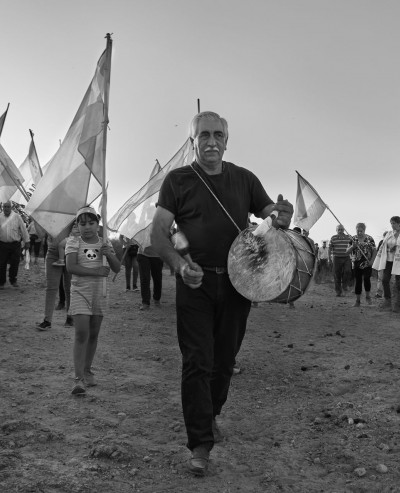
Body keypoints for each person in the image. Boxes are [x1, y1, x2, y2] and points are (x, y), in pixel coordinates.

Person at [150, 111, 293, 476]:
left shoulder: (245, 179)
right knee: (197, 361)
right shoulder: (177, 180)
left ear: (227, 141)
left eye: (218, 135)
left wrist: (283, 215)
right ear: (193, 141)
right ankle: (200, 443)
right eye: (203, 135)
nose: (211, 141)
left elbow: (270, 219)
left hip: (237, 285)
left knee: (224, 361)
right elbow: (160, 233)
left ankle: (210, 414)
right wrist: (181, 267)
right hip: (194, 282)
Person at [65, 207, 120, 395]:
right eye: (82, 223)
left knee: (94, 334)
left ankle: (88, 370)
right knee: (81, 333)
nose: (87, 227)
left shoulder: (105, 243)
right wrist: (95, 272)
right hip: (80, 292)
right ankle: (78, 379)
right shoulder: (73, 242)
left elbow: (117, 268)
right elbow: (71, 266)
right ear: (77, 226)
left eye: (91, 223)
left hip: (100, 295)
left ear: (98, 224)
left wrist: (109, 254)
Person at [37, 232, 73, 331]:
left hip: (71, 251)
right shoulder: (48, 216)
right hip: (52, 251)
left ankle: (70, 316)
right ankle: (47, 320)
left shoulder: (75, 216)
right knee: (51, 288)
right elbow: (40, 235)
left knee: (69, 287)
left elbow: (78, 230)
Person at [375, 216, 400, 312]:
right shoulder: (389, 233)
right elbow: (384, 244)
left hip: (399, 260)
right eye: (391, 223)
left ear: (399, 223)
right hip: (389, 260)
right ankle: (387, 301)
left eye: (394, 223)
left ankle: (398, 305)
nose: (392, 225)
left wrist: (397, 245)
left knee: (399, 282)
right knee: (385, 280)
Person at [0, 202, 29, 289]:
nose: (6, 208)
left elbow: (23, 229)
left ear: (11, 207)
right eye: (4, 207)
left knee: (15, 262)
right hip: (1, 244)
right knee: (1, 263)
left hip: (15, 244)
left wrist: (27, 241)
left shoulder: (17, 217)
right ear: (2, 207)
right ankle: (1, 282)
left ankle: (13, 280)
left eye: (8, 207)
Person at [347, 222, 376, 307]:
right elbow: (347, 251)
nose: (359, 233)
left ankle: (368, 296)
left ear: (364, 230)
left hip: (367, 262)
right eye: (358, 231)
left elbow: (374, 250)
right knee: (358, 281)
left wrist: (372, 261)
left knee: (367, 279)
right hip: (356, 263)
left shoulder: (369, 238)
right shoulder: (353, 239)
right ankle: (358, 300)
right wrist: (353, 246)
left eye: (361, 231)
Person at [137, 240, 163, 310]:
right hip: (143, 254)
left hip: (157, 255)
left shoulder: (160, 228)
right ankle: (145, 302)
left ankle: (157, 299)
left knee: (157, 278)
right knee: (145, 279)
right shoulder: (140, 228)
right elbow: (136, 237)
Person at [329, 224, 352, 297]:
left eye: (341, 229)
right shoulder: (333, 238)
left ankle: (344, 286)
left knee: (348, 271)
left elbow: (353, 246)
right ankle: (338, 291)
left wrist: (353, 240)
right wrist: (329, 258)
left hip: (346, 257)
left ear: (344, 230)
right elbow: (329, 248)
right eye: (338, 229)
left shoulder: (348, 237)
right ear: (336, 230)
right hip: (336, 258)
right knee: (337, 275)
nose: (340, 231)